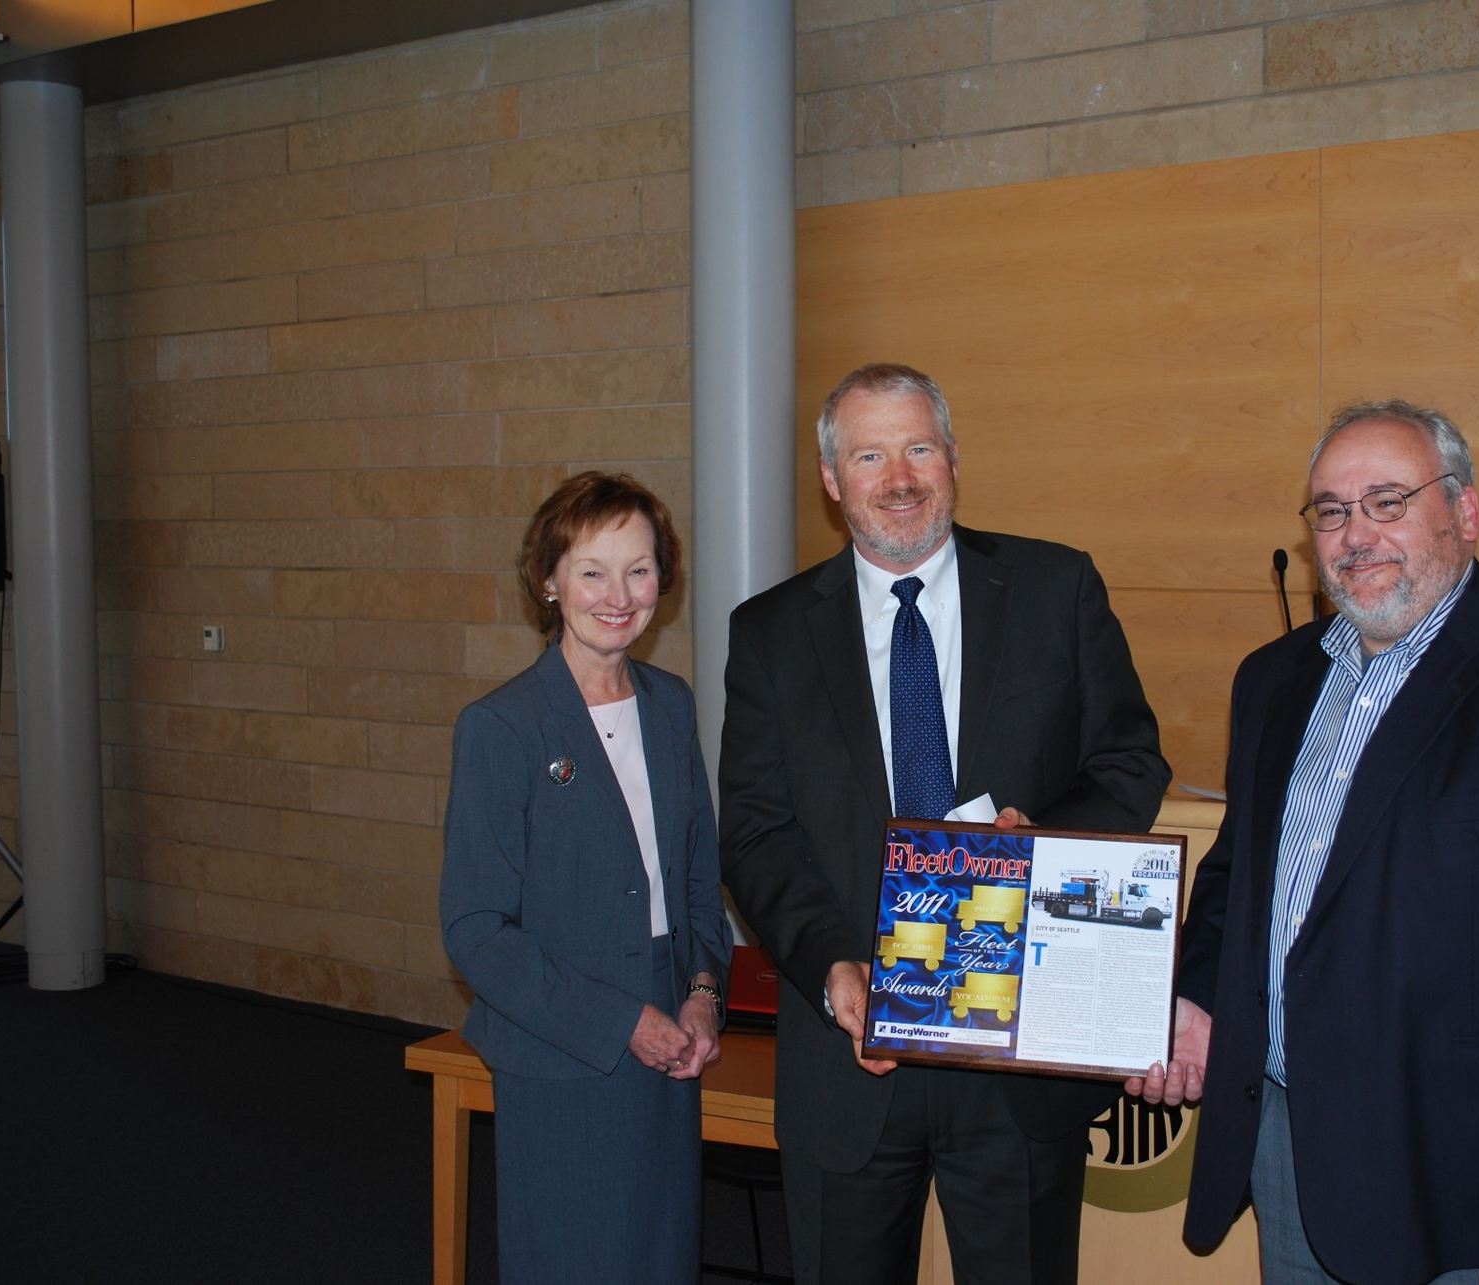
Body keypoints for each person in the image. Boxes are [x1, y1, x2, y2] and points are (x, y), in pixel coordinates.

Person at [1131, 401, 1479, 1285]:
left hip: (1474, 1188)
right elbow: (1241, 878)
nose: (1356, 533)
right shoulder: (1275, 679)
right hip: (1291, 1154)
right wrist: (1199, 994)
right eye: (1331, 509)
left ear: (1464, 513)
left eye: (1387, 500)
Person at [719, 363, 1170, 1285]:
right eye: (871, 454)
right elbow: (756, 831)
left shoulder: (1057, 588)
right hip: (851, 1055)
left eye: (920, 447)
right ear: (832, 480)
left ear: (955, 460)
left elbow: (1130, 763)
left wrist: (1033, 839)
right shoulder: (768, 633)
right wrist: (830, 963)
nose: (900, 477)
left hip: (1017, 1064)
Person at [440, 471, 732, 1283]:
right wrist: (619, 1020)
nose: (617, 593)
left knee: (660, 1258)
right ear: (549, 579)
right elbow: (474, 929)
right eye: (592, 569)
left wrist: (704, 994)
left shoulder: (672, 705)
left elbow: (700, 884)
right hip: (562, 1054)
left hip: (673, 1046)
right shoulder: (503, 726)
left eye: (638, 569)